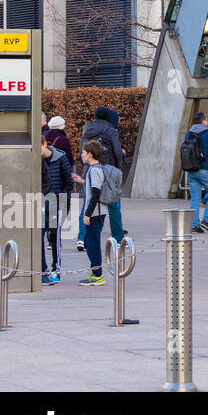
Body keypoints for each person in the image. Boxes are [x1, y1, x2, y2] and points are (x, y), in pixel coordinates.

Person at [81, 106, 125, 244]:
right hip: (107, 172)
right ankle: (118, 238)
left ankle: (82, 239)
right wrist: (117, 168)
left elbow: (81, 151)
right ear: (107, 117)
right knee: (113, 205)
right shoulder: (111, 131)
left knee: (87, 204)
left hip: (89, 170)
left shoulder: (86, 130)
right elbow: (118, 152)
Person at [182, 112, 208, 234]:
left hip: (191, 170)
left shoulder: (188, 135)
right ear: (203, 121)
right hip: (206, 170)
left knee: (195, 198)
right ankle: (206, 220)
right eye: (206, 120)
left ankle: (195, 225)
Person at [74, 140, 108, 285]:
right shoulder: (96, 169)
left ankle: (97, 274)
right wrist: (81, 181)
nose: (81, 155)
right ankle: (95, 271)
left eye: (82, 153)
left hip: (95, 212)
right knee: (90, 241)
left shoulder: (94, 170)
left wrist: (87, 214)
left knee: (92, 243)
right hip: (97, 211)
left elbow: (95, 194)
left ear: (89, 154)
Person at [40, 135, 72, 285]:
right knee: (39, 238)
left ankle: (56, 270)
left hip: (56, 204)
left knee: (54, 238)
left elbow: (69, 182)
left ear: (45, 144)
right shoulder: (36, 160)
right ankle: (43, 270)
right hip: (41, 205)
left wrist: (61, 200)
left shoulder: (60, 158)